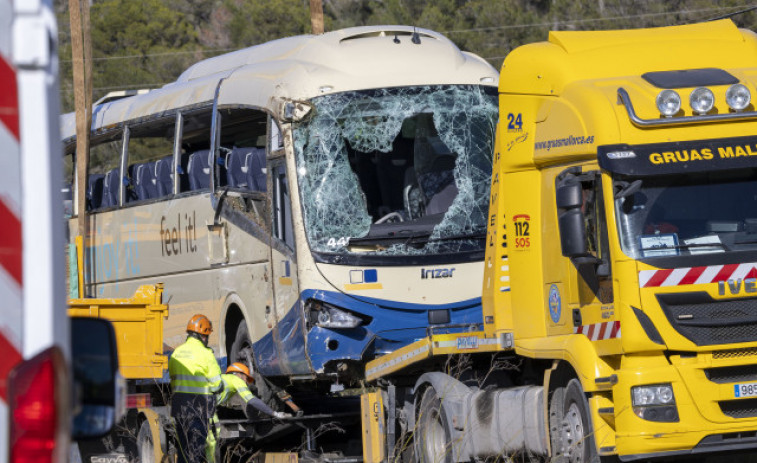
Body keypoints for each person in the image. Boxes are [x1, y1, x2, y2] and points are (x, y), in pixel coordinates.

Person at [206, 362, 291, 462]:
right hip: (201, 410)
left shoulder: (223, 379)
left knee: (209, 442)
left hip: (197, 407)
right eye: (246, 378)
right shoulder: (236, 380)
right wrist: (274, 413)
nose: (246, 382)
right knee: (212, 442)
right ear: (239, 374)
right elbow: (252, 401)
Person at [169, 314, 223, 463]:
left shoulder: (176, 353)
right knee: (196, 453)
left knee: (183, 451)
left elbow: (173, 381)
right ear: (203, 336)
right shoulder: (206, 354)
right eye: (207, 336)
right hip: (197, 408)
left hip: (179, 409)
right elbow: (217, 385)